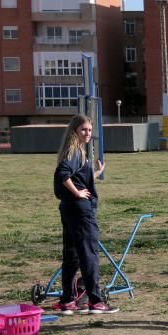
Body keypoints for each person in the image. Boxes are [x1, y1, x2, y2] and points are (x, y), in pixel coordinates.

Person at [52, 114, 115, 315]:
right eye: (83, 130)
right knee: (89, 255)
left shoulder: (75, 151)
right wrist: (78, 193)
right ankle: (96, 302)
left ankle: (68, 301)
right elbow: (64, 175)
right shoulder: (74, 152)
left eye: (89, 130)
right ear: (74, 131)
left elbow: (78, 177)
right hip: (80, 211)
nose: (87, 133)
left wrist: (95, 172)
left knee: (71, 256)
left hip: (69, 209)